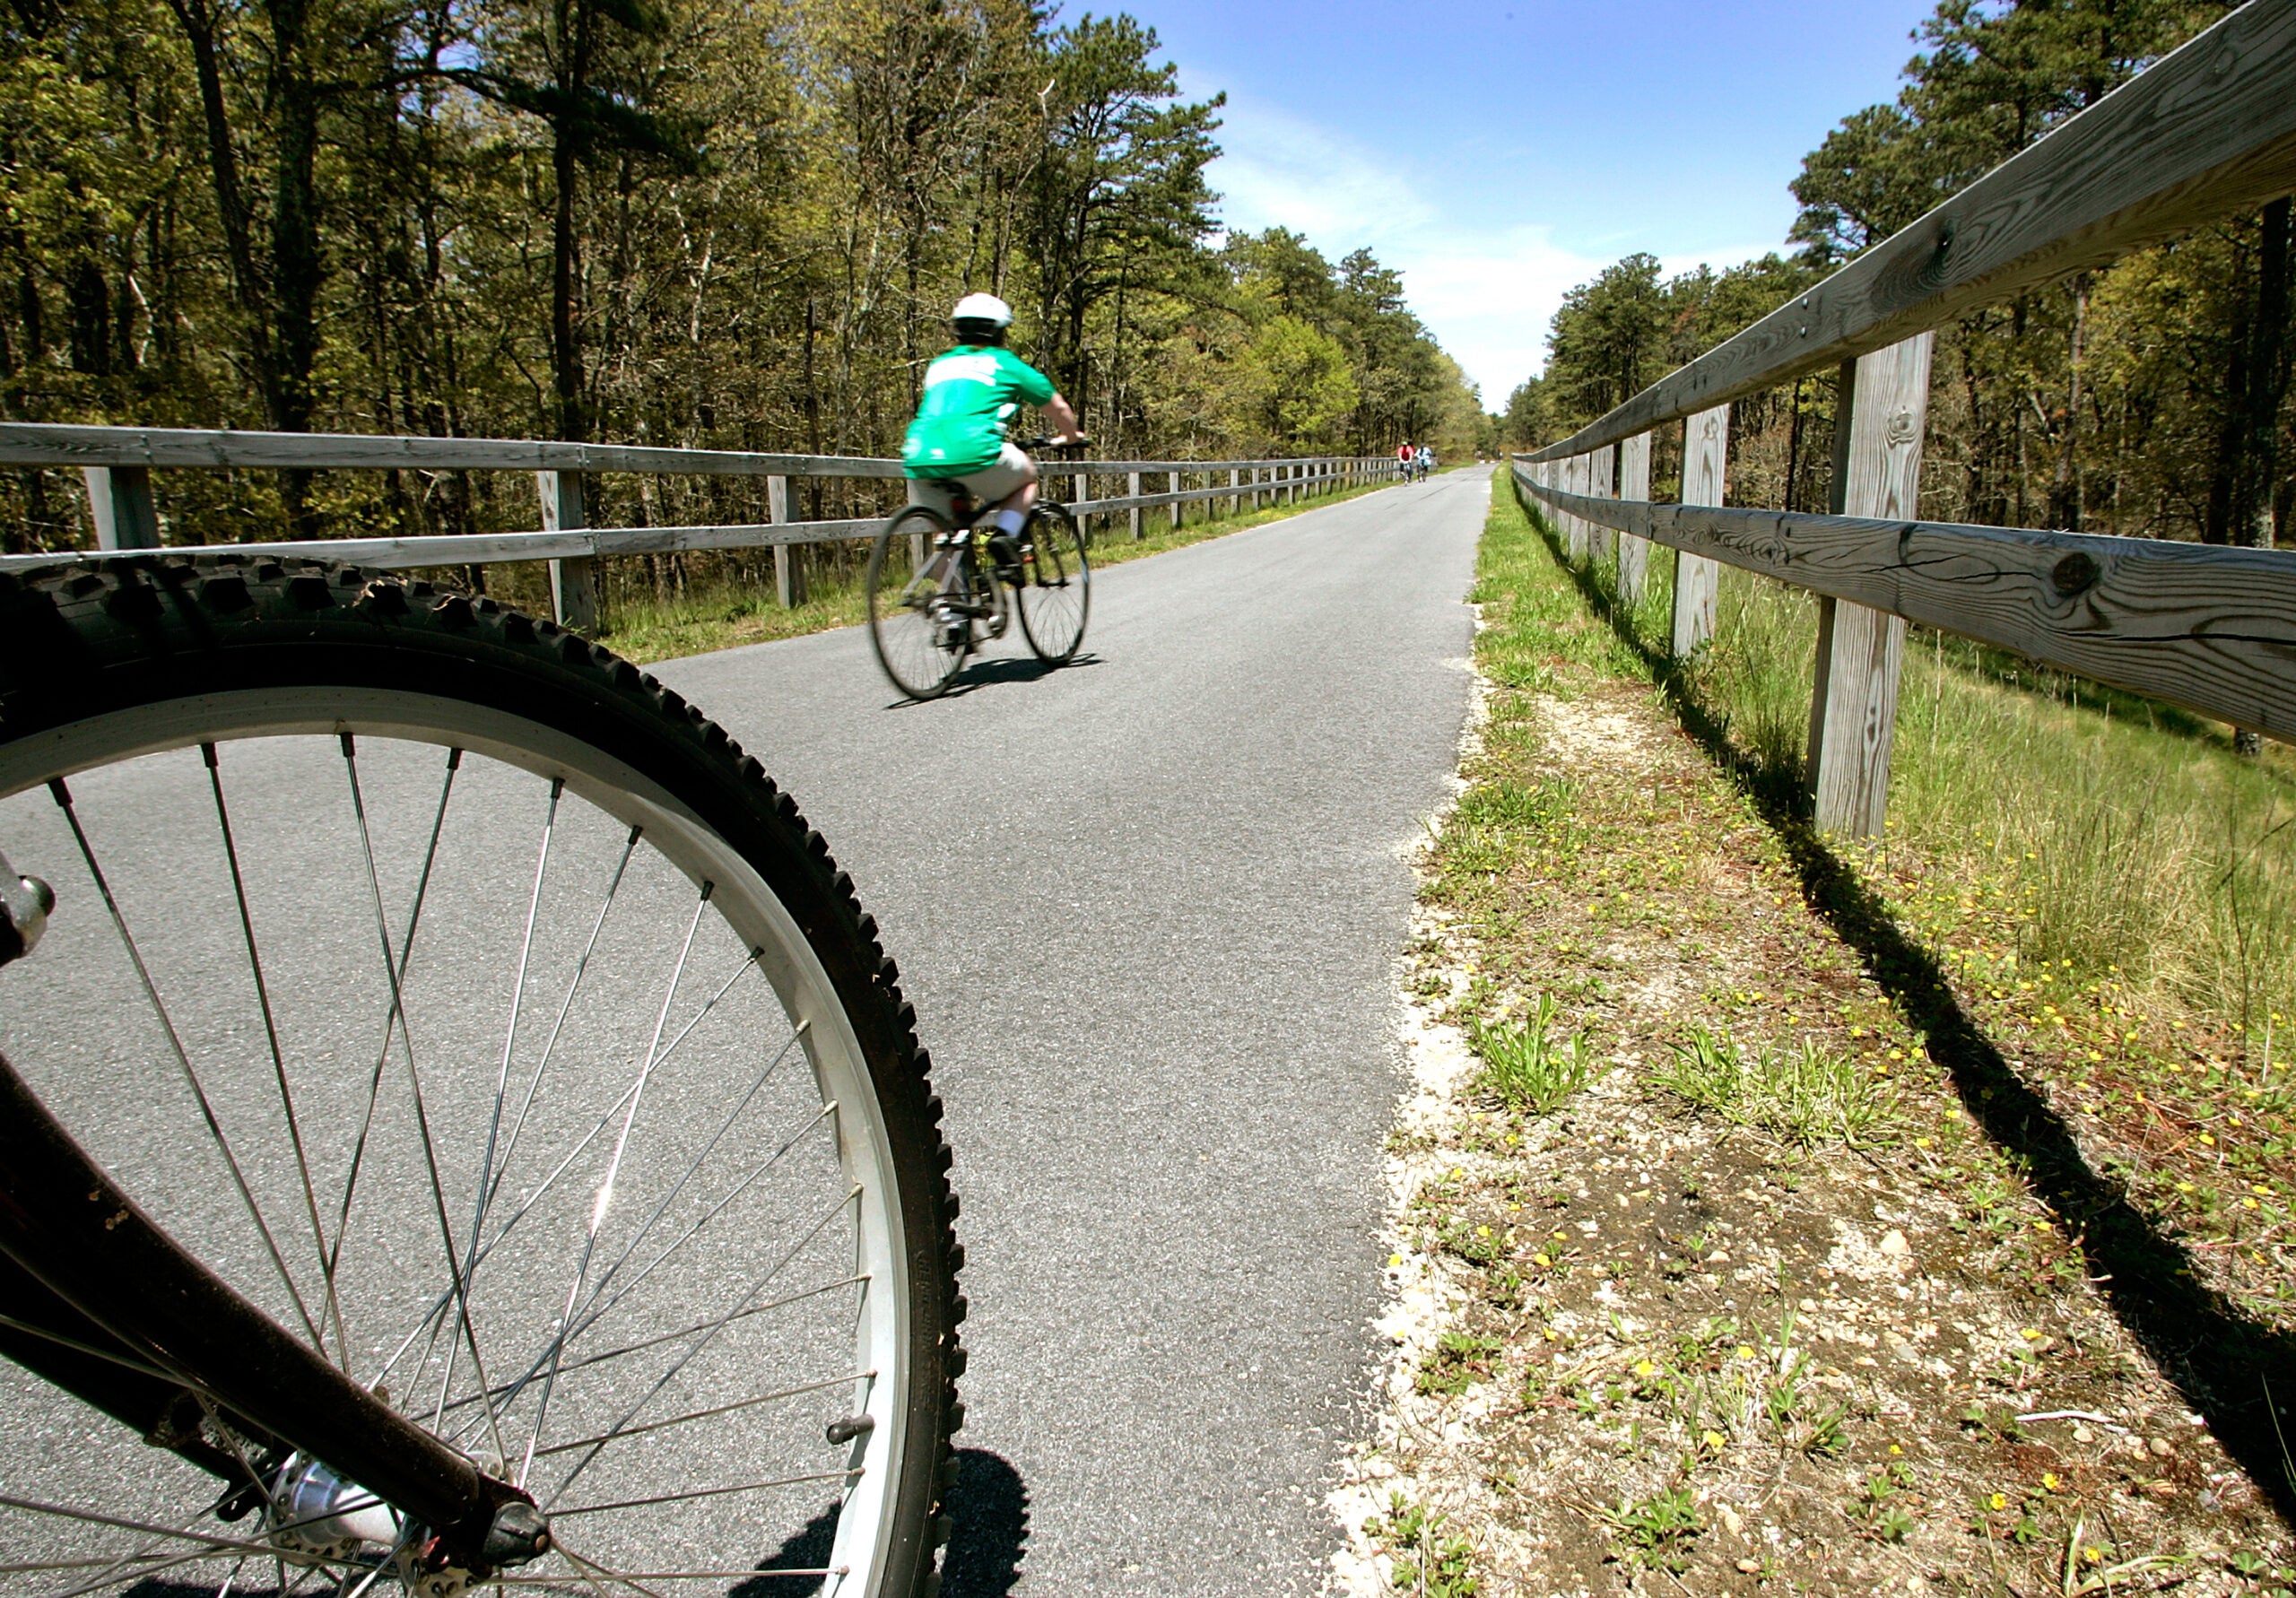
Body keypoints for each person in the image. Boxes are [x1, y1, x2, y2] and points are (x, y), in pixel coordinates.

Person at [902, 292, 1083, 578]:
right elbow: (1058, 407)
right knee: (1026, 479)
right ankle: (1004, 536)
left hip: (919, 454)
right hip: (975, 449)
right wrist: (1070, 435)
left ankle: (951, 611)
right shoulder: (1005, 364)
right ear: (1000, 330)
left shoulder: (939, 365)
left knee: (948, 538)